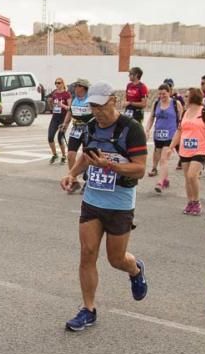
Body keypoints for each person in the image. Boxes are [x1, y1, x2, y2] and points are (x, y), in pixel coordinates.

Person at [60, 83, 149, 331]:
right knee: (87, 254)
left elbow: (140, 168)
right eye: (93, 106)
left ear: (114, 101)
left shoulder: (131, 129)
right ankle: (88, 309)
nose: (97, 111)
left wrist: (111, 166)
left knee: (116, 259)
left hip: (120, 203)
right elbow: (86, 157)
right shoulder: (89, 127)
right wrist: (72, 173)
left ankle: (135, 269)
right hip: (92, 200)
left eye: (101, 105)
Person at [171, 88, 205, 216]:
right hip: (185, 149)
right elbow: (179, 131)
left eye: (186, 96)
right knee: (187, 178)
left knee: (192, 175)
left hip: (200, 149)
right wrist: (170, 147)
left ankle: (196, 201)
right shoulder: (185, 112)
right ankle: (190, 201)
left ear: (193, 97)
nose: (184, 98)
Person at [146, 84, 180, 193]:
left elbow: (181, 119)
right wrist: (147, 129)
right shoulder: (156, 103)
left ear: (169, 92)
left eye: (164, 94)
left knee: (163, 159)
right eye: (160, 94)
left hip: (171, 135)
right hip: (158, 135)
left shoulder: (175, 103)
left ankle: (160, 183)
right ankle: (165, 178)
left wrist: (180, 134)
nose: (162, 96)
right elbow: (151, 117)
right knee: (158, 155)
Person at [60, 80, 92, 193]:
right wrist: (65, 124)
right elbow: (70, 111)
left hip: (88, 130)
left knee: (87, 156)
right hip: (76, 129)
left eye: (77, 86)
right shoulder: (74, 99)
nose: (74, 88)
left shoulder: (90, 99)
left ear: (83, 88)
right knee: (70, 155)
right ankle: (73, 180)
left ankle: (88, 181)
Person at [46, 78, 70, 164]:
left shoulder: (67, 94)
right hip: (55, 118)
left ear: (63, 84)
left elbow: (69, 108)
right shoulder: (55, 93)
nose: (57, 84)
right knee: (50, 137)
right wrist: (50, 103)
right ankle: (55, 154)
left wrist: (62, 105)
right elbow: (52, 107)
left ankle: (64, 156)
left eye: (59, 83)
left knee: (60, 138)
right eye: (56, 83)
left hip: (64, 118)